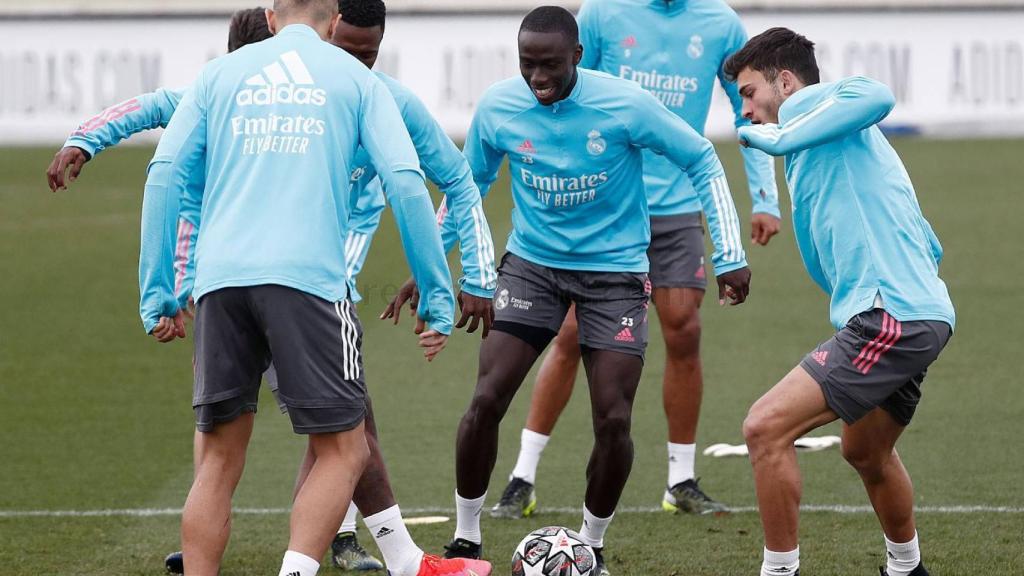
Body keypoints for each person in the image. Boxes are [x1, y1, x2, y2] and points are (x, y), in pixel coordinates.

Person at [50, 4, 497, 575]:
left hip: (219, 281)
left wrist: (158, 291)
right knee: (346, 444)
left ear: (268, 12)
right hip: (308, 280)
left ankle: (391, 556)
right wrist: (438, 296)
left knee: (215, 459)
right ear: (334, 18)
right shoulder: (358, 80)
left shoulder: (219, 75)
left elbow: (161, 172)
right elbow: (408, 184)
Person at [443, 7, 750, 576]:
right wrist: (435, 259)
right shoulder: (499, 107)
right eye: (528, 64)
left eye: (551, 65)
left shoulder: (623, 104)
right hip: (533, 268)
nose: (538, 78)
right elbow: (469, 185)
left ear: (578, 57)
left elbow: (702, 158)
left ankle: (592, 545)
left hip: (615, 276)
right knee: (487, 399)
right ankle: (465, 540)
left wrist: (730, 252)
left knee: (612, 418)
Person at [491, 0, 781, 520]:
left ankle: (681, 479)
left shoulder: (720, 23)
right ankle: (522, 477)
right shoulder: (602, 13)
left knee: (683, 329)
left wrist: (764, 197)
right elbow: (570, 94)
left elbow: (748, 105)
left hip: (673, 210)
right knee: (569, 334)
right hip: (604, 207)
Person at [724, 27, 954, 576]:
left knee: (764, 427)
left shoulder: (814, 105)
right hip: (908, 312)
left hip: (890, 315)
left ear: (784, 81)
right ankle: (907, 568)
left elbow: (877, 95)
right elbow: (928, 240)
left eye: (750, 93)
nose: (747, 112)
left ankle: (780, 571)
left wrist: (779, 138)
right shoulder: (820, 139)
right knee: (865, 452)